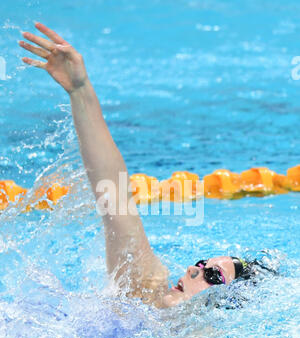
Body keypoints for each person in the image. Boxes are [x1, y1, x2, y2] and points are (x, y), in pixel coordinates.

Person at [18, 23, 260, 309]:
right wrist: (80, 90)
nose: (192, 270)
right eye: (201, 264)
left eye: (212, 276)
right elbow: (114, 197)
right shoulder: (145, 289)